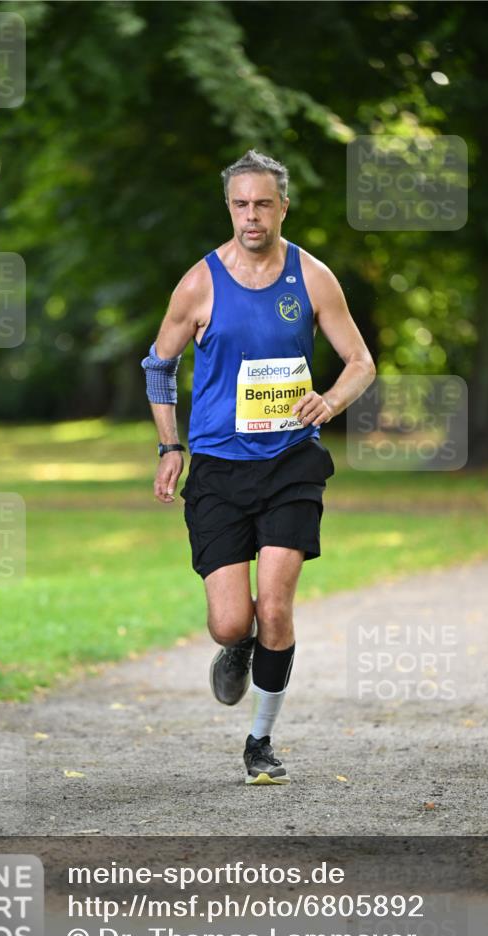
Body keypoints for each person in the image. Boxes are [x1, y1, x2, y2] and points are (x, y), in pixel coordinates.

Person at [141, 149, 375, 785]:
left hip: (291, 463)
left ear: (283, 206)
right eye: (241, 204)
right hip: (218, 468)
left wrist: (329, 400)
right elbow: (158, 366)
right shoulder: (199, 284)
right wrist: (170, 447)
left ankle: (260, 740)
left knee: (275, 608)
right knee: (231, 620)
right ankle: (235, 647)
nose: (252, 216)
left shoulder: (313, 276)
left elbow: (361, 362)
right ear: (229, 208)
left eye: (263, 203)